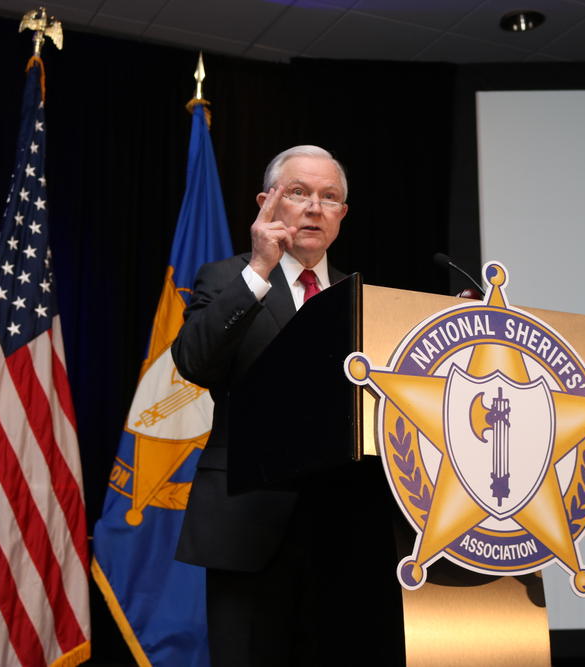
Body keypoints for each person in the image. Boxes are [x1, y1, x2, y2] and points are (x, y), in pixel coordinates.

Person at [171, 146, 354, 666]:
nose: (314, 208)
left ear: (342, 214)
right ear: (266, 203)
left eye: (330, 197)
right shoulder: (227, 277)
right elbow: (195, 361)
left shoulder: (362, 298)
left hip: (343, 529)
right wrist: (258, 270)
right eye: (299, 193)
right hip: (246, 521)